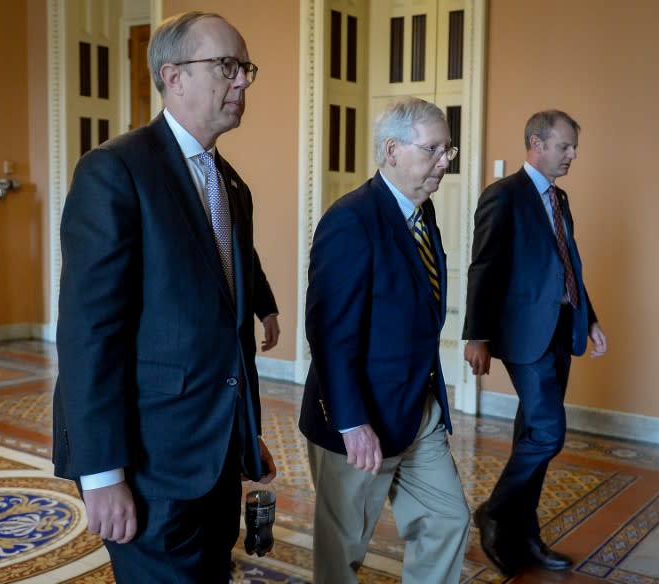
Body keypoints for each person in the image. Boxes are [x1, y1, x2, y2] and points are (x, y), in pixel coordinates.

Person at [52, 11, 278, 584]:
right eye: (227, 66)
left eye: (245, 68)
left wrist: (243, 433)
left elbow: (226, 324)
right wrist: (102, 474)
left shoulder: (230, 184)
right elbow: (89, 334)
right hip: (149, 462)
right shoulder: (114, 171)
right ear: (173, 76)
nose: (243, 81)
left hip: (215, 456)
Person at [299, 97, 470, 584]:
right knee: (343, 548)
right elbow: (330, 333)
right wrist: (352, 423)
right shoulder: (351, 219)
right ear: (392, 150)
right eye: (433, 149)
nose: (443, 161)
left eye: (448, 150)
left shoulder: (423, 212)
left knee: (448, 519)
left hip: (417, 409)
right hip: (360, 418)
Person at [463, 110, 608, 575]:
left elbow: (570, 265)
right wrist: (477, 335)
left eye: (574, 147)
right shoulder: (503, 196)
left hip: (563, 329)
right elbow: (483, 266)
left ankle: (524, 534)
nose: (572, 155)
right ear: (536, 143)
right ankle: (497, 513)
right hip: (525, 334)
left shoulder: (559, 198)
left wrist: (589, 320)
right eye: (564, 146)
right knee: (548, 433)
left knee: (532, 433)